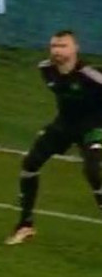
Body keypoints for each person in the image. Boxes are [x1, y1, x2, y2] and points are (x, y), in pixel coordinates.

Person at [8, 30, 102, 244]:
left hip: (93, 126)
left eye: (63, 46)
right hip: (64, 125)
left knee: (94, 171)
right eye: (54, 46)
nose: (57, 51)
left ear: (75, 49)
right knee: (30, 164)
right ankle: (25, 225)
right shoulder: (46, 69)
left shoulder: (90, 74)